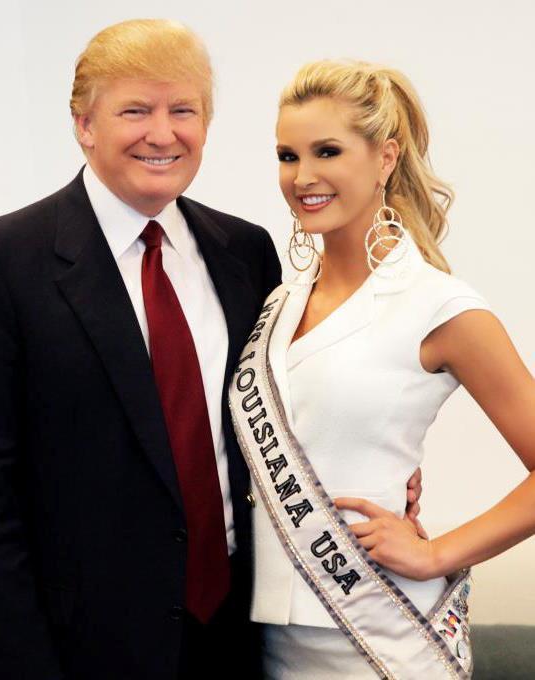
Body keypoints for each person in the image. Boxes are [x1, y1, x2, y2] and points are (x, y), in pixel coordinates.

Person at [0, 19, 283, 680]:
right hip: (64, 654)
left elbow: (275, 430)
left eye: (184, 109)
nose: (162, 132)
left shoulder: (247, 254)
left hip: (230, 644)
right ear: (84, 125)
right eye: (134, 110)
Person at [229, 60, 535, 679]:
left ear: (386, 157)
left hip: (380, 635)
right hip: (264, 638)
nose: (303, 177)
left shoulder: (438, 305)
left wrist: (437, 553)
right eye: (288, 155)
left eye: (328, 151)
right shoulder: (276, 303)